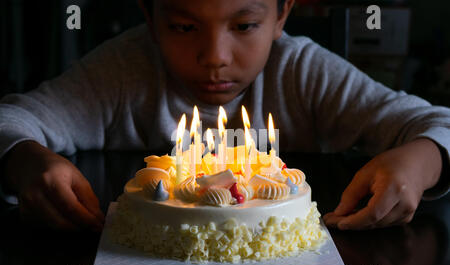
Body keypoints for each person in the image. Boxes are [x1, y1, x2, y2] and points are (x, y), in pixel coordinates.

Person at [0, 0, 448, 233]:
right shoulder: (121, 71)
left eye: (244, 25)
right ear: (150, 17)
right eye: (183, 26)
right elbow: (12, 119)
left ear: (281, 14)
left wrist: (421, 160)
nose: (214, 57)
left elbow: (438, 124)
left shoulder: (304, 72)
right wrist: (23, 160)